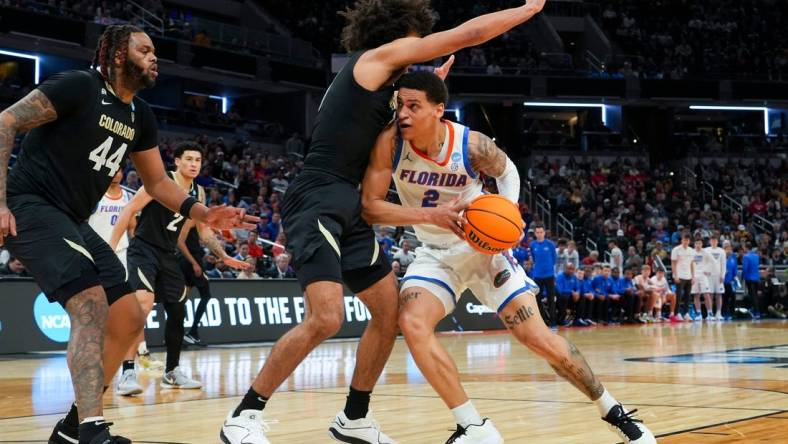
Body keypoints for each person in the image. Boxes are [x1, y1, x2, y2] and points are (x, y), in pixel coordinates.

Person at [221, 2, 551, 443]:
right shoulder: (372, 61)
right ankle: (243, 415)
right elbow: (467, 34)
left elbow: (399, 121)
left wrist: (429, 93)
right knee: (327, 317)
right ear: (400, 34)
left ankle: (354, 417)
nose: (416, 49)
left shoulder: (384, 91)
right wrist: (527, 10)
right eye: (415, 40)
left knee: (387, 311)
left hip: (351, 204)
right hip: (318, 194)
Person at [361, 71, 654, 444]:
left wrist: (507, 217)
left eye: (413, 105)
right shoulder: (390, 144)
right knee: (413, 323)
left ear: (438, 110)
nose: (402, 113)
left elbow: (508, 171)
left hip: (482, 249)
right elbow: (370, 209)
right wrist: (429, 217)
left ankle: (613, 411)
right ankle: (473, 426)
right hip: (435, 253)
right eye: (400, 104)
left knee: (536, 337)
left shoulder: (470, 144)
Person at [0, 24, 253, 444]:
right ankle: (93, 429)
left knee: (130, 315)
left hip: (73, 219)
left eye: (155, 51)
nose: (155, 57)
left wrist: (204, 212)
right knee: (90, 302)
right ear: (119, 55)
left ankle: (70, 428)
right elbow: (5, 121)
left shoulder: (140, 114)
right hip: (31, 205)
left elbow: (157, 183)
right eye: (145, 50)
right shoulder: (79, 86)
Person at [110, 143, 252, 395]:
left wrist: (224, 256)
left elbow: (204, 230)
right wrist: (111, 247)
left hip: (168, 254)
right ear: (177, 161)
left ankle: (172, 371)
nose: (194, 164)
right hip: (143, 249)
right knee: (142, 304)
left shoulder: (199, 192)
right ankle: (128, 372)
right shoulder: (159, 182)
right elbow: (129, 210)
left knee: (178, 310)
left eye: (198, 159)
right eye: (188, 159)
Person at [89, 172, 165, 371]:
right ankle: (95, 353)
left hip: (123, 256)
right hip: (96, 256)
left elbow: (132, 227)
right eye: (113, 169)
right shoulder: (94, 194)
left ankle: (142, 352)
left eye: (120, 169)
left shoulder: (128, 198)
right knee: (100, 310)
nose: (115, 173)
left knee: (132, 309)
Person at [530, 221, 558, 326]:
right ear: (535, 233)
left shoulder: (550, 244)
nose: (539, 234)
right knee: (537, 299)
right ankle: (542, 321)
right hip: (537, 276)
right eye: (537, 232)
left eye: (541, 232)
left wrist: (548, 268)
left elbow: (554, 259)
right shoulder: (532, 245)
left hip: (549, 276)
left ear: (544, 232)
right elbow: (533, 258)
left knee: (551, 299)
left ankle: (553, 321)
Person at [670, 233, 694, 320]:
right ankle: (677, 313)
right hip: (679, 276)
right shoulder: (676, 250)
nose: (686, 241)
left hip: (688, 276)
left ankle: (686, 313)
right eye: (684, 239)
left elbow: (692, 264)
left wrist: (693, 276)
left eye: (687, 240)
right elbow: (673, 264)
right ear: (681, 240)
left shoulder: (691, 250)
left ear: (689, 241)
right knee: (679, 295)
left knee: (688, 296)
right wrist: (675, 276)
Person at [690, 237, 714, 321]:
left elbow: (712, 262)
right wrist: (691, 276)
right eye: (697, 243)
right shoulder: (691, 252)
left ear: (702, 244)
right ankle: (698, 314)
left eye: (700, 243)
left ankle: (710, 314)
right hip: (694, 276)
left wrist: (708, 271)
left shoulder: (706, 252)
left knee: (706, 294)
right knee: (696, 295)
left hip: (703, 276)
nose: (698, 245)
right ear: (694, 244)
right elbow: (689, 264)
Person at [704, 234, 726, 321]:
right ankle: (710, 313)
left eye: (715, 240)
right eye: (712, 240)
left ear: (717, 241)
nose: (713, 242)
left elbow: (723, 264)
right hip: (708, 276)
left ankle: (718, 313)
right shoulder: (706, 250)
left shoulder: (721, 251)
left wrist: (722, 275)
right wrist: (704, 271)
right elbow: (703, 262)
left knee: (719, 294)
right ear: (710, 241)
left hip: (718, 276)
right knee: (709, 295)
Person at [555, 261, 579, 326]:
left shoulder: (574, 276)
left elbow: (577, 287)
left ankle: (578, 318)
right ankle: (561, 319)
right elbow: (560, 290)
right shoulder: (560, 276)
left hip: (570, 296)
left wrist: (577, 293)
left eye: (572, 269)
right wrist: (572, 292)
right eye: (569, 269)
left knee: (581, 297)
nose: (571, 271)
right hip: (560, 296)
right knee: (564, 297)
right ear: (565, 269)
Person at [742, 242, 761, 318]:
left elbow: (745, 268)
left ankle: (756, 312)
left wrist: (742, 277)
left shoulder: (746, 257)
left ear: (746, 248)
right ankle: (755, 310)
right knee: (755, 295)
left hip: (749, 279)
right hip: (756, 278)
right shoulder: (756, 256)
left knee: (753, 296)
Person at [723, 241, 737, 320]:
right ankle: (724, 313)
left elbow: (735, 268)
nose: (729, 251)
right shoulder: (722, 258)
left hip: (731, 281)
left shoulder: (733, 258)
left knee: (733, 297)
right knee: (725, 298)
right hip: (724, 281)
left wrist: (735, 278)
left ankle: (732, 313)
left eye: (730, 249)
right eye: (727, 249)